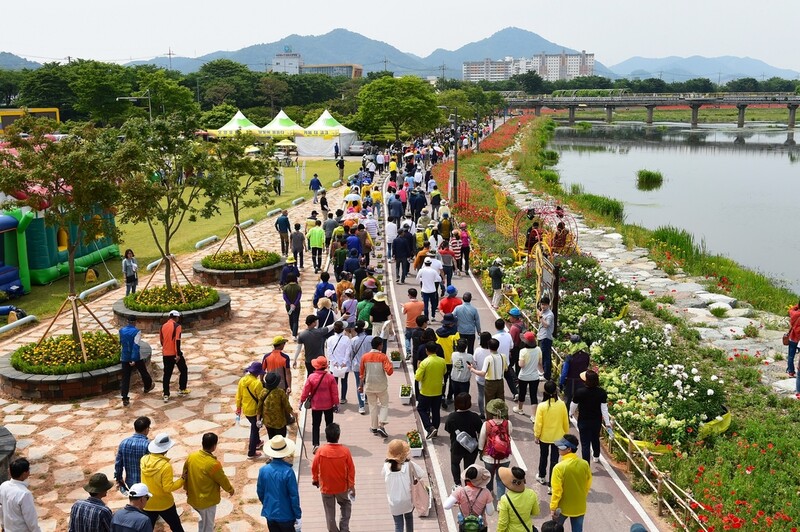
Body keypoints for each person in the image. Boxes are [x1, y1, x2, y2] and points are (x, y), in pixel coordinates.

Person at [183, 433, 234, 532]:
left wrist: (186, 489)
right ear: (214, 446)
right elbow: (222, 479)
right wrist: (230, 489)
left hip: (194, 497)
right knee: (208, 526)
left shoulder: (191, 457)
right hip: (207, 501)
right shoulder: (213, 464)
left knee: (203, 520)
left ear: (202, 443)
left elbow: (185, 474)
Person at [312, 423, 355, 532]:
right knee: (345, 504)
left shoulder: (320, 451)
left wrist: (315, 480)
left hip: (326, 487)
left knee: (329, 512)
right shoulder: (345, 451)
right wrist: (351, 486)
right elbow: (351, 470)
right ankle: (344, 528)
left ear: (326, 436)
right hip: (342, 487)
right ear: (338, 436)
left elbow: (314, 467)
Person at [140, 433, 184, 531]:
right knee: (176, 527)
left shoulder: (143, 460)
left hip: (148, 502)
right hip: (164, 503)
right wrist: (182, 480)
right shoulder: (165, 466)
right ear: (166, 449)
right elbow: (167, 488)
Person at [257, 436, 302, 532]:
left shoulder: (263, 470)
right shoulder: (288, 472)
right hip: (286, 516)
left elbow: (260, 492)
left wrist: (267, 504)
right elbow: (294, 496)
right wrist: (298, 515)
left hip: (270, 514)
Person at [382, 439, 426, 532]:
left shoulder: (386, 466)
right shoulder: (408, 464)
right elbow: (421, 474)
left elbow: (383, 475)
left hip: (394, 501)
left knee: (398, 525)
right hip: (407, 499)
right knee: (409, 518)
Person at [550, 435, 592, 532]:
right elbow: (588, 483)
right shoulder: (584, 464)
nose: (558, 448)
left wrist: (553, 507)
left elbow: (557, 490)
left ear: (569, 449)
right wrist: (581, 495)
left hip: (562, 507)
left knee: (554, 529)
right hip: (579, 506)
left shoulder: (559, 467)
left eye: (561, 446)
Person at [534, 380, 569, 494]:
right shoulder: (562, 404)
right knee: (555, 461)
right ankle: (552, 485)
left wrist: (536, 435)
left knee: (543, 456)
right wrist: (566, 434)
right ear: (556, 391)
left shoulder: (542, 406)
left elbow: (538, 423)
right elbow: (565, 422)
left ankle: (542, 476)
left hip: (544, 437)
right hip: (558, 437)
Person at [570, 369, 612, 463]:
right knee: (595, 438)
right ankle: (596, 455)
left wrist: (570, 413)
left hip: (583, 421)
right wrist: (608, 423)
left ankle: (586, 464)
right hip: (596, 421)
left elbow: (574, 404)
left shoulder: (580, 392)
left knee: (585, 444)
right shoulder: (601, 392)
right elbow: (604, 409)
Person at [300, 356, 340, 454]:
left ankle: (315, 444)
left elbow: (306, 390)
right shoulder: (330, 377)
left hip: (316, 405)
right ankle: (330, 443)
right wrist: (336, 404)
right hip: (328, 405)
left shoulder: (311, 377)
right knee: (329, 425)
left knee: (316, 425)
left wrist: (301, 401)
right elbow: (334, 392)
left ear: (316, 366)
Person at [443, 392, 483, 487]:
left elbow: (448, 429)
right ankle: (468, 485)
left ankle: (457, 484)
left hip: (457, 447)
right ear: (469, 403)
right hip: (472, 448)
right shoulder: (474, 416)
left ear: (456, 403)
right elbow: (480, 431)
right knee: (468, 467)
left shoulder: (451, 417)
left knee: (455, 463)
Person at [360, 336, 394, 438]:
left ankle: (374, 427)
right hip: (381, 386)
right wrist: (390, 364)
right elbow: (390, 372)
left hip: (369, 386)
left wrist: (360, 386)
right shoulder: (383, 357)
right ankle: (381, 424)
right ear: (380, 346)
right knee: (384, 405)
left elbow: (362, 374)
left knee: (372, 406)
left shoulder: (364, 357)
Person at [478, 399, 513, 499]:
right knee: (501, 479)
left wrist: (481, 451)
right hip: (505, 457)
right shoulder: (508, 423)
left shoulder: (487, 424)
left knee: (489, 477)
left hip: (489, 456)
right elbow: (509, 434)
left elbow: (481, 440)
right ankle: (500, 501)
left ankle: (489, 496)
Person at [443, 464, 494, 530]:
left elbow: (446, 506)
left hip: (465, 526)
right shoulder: (486, 492)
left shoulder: (460, 491)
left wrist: (456, 498)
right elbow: (490, 512)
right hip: (480, 526)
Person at [415, 341, 448, 439]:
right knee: (436, 411)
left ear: (426, 351)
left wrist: (418, 368)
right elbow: (444, 371)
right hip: (438, 390)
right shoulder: (442, 361)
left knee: (421, 409)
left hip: (426, 391)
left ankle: (429, 427)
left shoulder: (424, 362)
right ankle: (435, 431)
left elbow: (417, 377)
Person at [119, 316, 154, 407]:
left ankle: (125, 398)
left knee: (125, 378)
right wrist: (133, 359)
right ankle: (147, 386)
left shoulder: (121, 330)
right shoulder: (136, 332)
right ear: (135, 322)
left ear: (127, 321)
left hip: (124, 357)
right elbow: (136, 346)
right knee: (143, 371)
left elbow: (121, 343)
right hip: (135, 357)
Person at [236, 361, 266, 459]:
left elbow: (238, 396)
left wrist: (238, 408)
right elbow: (261, 398)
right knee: (254, 429)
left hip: (246, 409)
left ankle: (257, 442)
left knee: (254, 427)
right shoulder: (257, 383)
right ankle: (251, 452)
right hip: (255, 411)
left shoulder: (242, 380)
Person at [0, 458, 40, 532]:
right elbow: (31, 520)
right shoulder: (24, 494)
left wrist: (2, 525)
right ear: (24, 474)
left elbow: (1, 509)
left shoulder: (3, 486)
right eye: (28, 469)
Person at [114, 416, 152, 493]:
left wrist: (118, 479)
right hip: (145, 483)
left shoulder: (124, 443)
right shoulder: (148, 445)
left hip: (130, 483)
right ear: (146, 429)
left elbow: (118, 464)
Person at [496, 467, 539, 532]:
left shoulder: (505, 499)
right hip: (527, 528)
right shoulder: (531, 493)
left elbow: (503, 522)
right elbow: (536, 512)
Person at [159, 310, 189, 403]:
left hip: (166, 354)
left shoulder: (162, 326)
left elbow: (161, 341)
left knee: (167, 374)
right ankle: (182, 389)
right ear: (176, 317)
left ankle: (166, 394)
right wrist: (178, 354)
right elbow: (177, 341)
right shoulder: (177, 326)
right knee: (183, 370)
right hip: (174, 354)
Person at [470, 338, 506, 410]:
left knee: (490, 403)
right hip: (500, 382)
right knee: (500, 402)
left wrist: (472, 369)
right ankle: (502, 418)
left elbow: (483, 373)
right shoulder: (503, 356)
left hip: (490, 383)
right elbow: (506, 368)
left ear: (489, 347)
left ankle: (490, 419)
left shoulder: (488, 358)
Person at [259, 372, 295, 438]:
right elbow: (287, 406)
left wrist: (258, 419)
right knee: (281, 440)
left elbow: (259, 407)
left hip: (268, 422)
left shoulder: (263, 392)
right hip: (279, 422)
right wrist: (294, 414)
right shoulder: (280, 392)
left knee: (271, 438)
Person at [436, 313, 461, 406]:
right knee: (452, 379)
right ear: (451, 323)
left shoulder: (437, 333)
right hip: (452, 361)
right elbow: (458, 346)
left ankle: (442, 395)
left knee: (443, 380)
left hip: (441, 361)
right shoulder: (455, 334)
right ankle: (450, 396)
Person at [559, 335, 590, 411]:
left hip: (570, 382)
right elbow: (586, 367)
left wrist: (561, 383)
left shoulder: (570, 357)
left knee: (567, 401)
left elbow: (564, 372)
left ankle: (566, 419)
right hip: (582, 382)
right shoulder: (586, 356)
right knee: (580, 402)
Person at [515, 332, 542, 416]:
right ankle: (534, 416)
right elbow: (540, 363)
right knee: (533, 395)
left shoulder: (523, 351)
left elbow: (521, 365)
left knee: (522, 393)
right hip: (534, 376)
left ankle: (520, 409)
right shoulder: (538, 349)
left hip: (523, 376)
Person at [326, 321, 353, 403]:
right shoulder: (347, 339)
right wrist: (344, 362)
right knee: (344, 381)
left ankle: (334, 398)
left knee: (334, 383)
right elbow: (348, 352)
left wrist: (334, 362)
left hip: (334, 364)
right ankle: (343, 398)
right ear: (343, 329)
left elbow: (329, 352)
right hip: (344, 364)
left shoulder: (330, 339)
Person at [473, 332, 493, 419]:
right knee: (491, 396)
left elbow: (474, 363)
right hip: (491, 377)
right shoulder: (492, 351)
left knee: (481, 395)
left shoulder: (477, 350)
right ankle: (491, 412)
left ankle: (482, 413)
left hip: (480, 377)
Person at [402, 288, 424, 356]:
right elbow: (422, 310)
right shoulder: (421, 304)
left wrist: (403, 306)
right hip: (417, 325)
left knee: (407, 339)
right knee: (417, 340)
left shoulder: (407, 304)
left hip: (409, 325)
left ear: (410, 295)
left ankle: (408, 352)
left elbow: (403, 312)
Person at [537, 296, 555, 381]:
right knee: (543, 356)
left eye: (545, 305)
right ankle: (543, 372)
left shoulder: (549, 315)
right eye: (542, 304)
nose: (543, 306)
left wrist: (540, 317)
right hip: (541, 336)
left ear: (548, 305)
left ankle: (546, 375)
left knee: (546, 356)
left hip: (546, 337)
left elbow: (546, 325)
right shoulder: (543, 312)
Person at [283, 274, 302, 339]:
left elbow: (285, 297)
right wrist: (295, 304)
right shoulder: (298, 287)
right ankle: (294, 333)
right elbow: (299, 297)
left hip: (288, 306)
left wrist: (290, 304)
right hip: (297, 306)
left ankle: (292, 330)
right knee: (295, 320)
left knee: (290, 318)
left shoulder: (285, 287)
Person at [788, 299, 800, 380]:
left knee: (790, 356)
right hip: (799, 340)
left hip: (792, 337)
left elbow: (790, 309)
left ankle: (791, 371)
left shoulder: (794, 313)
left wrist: (797, 306)